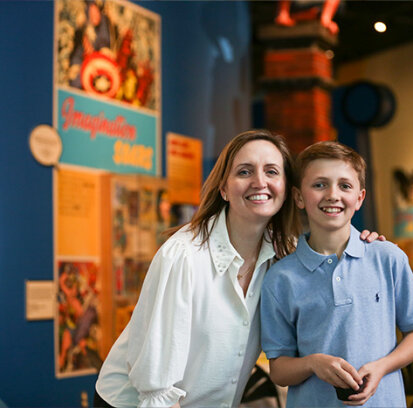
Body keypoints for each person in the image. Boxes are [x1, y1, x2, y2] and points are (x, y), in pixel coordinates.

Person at [94, 130, 384, 408]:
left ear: (287, 189)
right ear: (224, 188)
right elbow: (157, 387)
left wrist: (365, 246)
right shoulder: (184, 255)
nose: (260, 182)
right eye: (244, 171)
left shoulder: (286, 255)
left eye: (272, 171)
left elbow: (331, 264)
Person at [260, 141, 413, 407]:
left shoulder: (388, 257)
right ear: (299, 197)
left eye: (345, 185)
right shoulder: (280, 279)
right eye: (319, 185)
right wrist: (313, 363)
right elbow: (280, 370)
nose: (332, 195)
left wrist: (383, 366)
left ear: (360, 198)